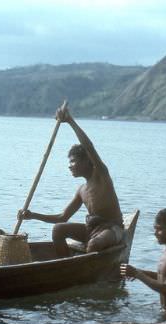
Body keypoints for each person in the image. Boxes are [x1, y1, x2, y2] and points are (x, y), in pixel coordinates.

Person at [17, 104, 123, 257]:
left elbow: (89, 147)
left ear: (87, 161)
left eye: (73, 161)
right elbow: (63, 218)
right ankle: (64, 264)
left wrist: (70, 121)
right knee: (58, 229)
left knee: (93, 244)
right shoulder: (81, 190)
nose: (70, 166)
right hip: (93, 229)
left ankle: (84, 267)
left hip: (113, 229)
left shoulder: (101, 175)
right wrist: (33, 215)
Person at [121, 208, 166, 309]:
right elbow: (161, 277)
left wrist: (137, 274)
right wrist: (138, 271)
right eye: (155, 228)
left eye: (160, 229)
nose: (155, 233)